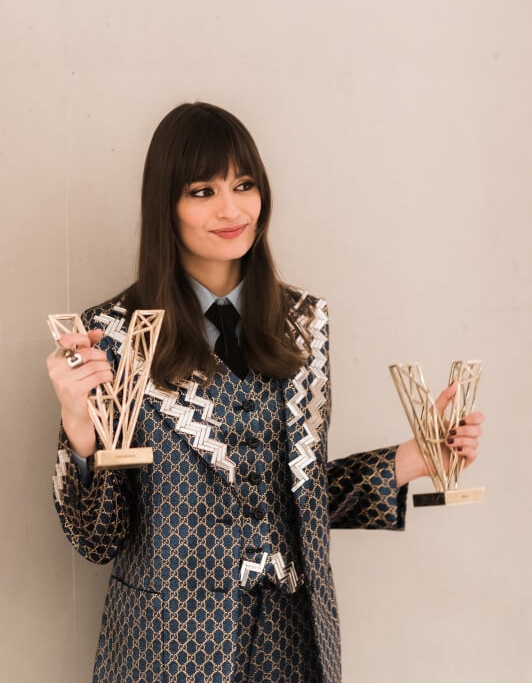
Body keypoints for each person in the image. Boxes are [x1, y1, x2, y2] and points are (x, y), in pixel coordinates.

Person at [47, 102, 484, 683]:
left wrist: (411, 460)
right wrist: (78, 428)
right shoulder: (116, 338)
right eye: (203, 191)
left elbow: (289, 503)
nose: (232, 210)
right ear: (166, 206)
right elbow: (98, 540)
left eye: (244, 185)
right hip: (167, 650)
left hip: (292, 644)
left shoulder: (306, 324)